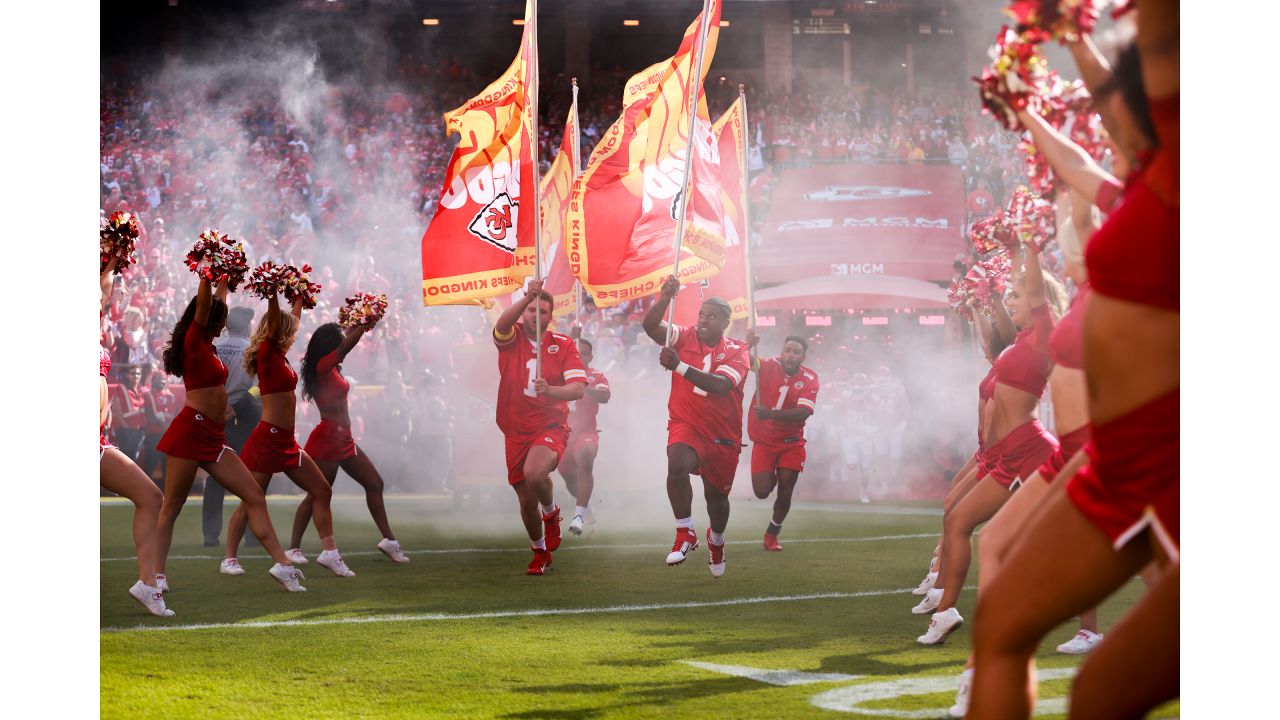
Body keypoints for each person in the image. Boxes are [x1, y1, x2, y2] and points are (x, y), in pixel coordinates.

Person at [968, 6, 1180, 714]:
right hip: (1120, 465)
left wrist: (1082, 32)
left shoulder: (1188, 175)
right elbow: (1082, 158)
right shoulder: (1143, 186)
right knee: (1003, 625)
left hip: (1180, 465)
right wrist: (1026, 107)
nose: (1107, 108)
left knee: (1104, 693)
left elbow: (1160, 39)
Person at [916, 243, 1068, 644]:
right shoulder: (1021, 340)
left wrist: (1025, 245)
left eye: (1017, 295)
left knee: (1028, 536)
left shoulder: (1043, 333)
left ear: (1038, 299)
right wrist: (985, 297)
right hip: (1008, 455)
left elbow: (1033, 289)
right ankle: (945, 610)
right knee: (958, 521)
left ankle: (952, 608)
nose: (1011, 300)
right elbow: (994, 334)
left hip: (1028, 452)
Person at [154, 275, 306, 593]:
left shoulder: (208, 345)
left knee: (253, 495)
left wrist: (223, 279)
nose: (224, 323)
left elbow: (214, 304)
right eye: (220, 318)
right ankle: (155, 576)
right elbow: (206, 304)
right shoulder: (195, 340)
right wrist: (208, 275)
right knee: (172, 507)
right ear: (208, 318)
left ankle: (282, 565)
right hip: (189, 432)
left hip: (213, 435)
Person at [223, 293, 355, 579]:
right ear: (275, 331)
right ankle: (229, 558)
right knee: (251, 502)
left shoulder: (279, 356)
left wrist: (298, 298)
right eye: (288, 330)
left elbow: (292, 321)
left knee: (321, 490)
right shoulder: (268, 353)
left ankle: (329, 553)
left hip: (285, 440)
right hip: (267, 439)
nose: (294, 333)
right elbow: (277, 320)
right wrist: (272, 293)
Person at [642, 276, 750, 578]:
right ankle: (684, 531)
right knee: (676, 464)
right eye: (701, 314)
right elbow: (650, 327)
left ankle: (716, 541)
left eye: (711, 316)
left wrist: (678, 366)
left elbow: (720, 385)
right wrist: (664, 298)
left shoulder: (737, 350)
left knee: (716, 498)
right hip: (686, 422)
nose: (703, 320)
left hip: (722, 434)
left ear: (725, 322)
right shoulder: (684, 335)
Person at [290, 318, 409, 565]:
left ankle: (389, 540)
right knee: (317, 495)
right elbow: (345, 347)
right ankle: (293, 549)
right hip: (329, 438)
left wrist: (360, 320)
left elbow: (343, 344)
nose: (342, 341)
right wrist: (364, 327)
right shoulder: (323, 366)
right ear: (330, 345)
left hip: (343, 437)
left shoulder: (329, 367)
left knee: (374, 483)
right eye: (339, 339)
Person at [490, 280, 587, 575]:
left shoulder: (564, 344)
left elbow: (578, 389)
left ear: (550, 317)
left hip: (550, 424)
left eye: (542, 311)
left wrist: (551, 391)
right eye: (531, 309)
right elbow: (502, 322)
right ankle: (539, 551)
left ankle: (552, 512)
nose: (535, 314)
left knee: (535, 473)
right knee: (524, 500)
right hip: (514, 428)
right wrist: (527, 296)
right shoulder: (512, 338)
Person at [100, 257, 171, 617]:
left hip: (97, 443)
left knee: (150, 495)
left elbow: (103, 292)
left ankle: (147, 584)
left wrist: (112, 258)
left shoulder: (97, 324)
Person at [744, 334, 819, 551]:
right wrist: (748, 344)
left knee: (786, 489)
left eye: (796, 352)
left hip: (791, 442)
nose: (791, 355)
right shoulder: (766, 364)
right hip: (765, 441)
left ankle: (772, 534)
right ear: (782, 351)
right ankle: (774, 474)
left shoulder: (810, 378)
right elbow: (741, 359)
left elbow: (804, 412)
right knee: (761, 491)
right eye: (788, 350)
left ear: (803, 357)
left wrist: (771, 414)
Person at [206, 305, 260, 547]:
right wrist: (238, 408)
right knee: (249, 477)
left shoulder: (214, 348)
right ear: (247, 326)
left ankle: (210, 534)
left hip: (216, 415)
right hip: (243, 417)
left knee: (216, 478)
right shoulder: (251, 349)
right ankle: (250, 534)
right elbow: (258, 388)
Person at [559, 333, 610, 536]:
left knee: (586, 458)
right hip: (562, 434)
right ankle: (586, 506)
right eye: (577, 353)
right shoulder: (559, 374)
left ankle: (578, 516)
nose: (580, 357)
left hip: (586, 431)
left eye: (585, 353)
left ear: (590, 356)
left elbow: (605, 396)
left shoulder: (596, 376)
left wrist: (583, 388)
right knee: (570, 479)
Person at [141, 370, 178, 488]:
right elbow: (149, 415)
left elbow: (174, 415)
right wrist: (164, 425)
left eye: (163, 380)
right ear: (153, 381)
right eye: (158, 380)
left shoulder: (170, 396)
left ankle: (166, 491)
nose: (161, 382)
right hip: (153, 435)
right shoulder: (148, 394)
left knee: (167, 465)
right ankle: (144, 489)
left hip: (167, 435)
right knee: (150, 464)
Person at [110, 364, 147, 463]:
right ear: (127, 375)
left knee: (133, 460)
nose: (136, 376)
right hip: (125, 431)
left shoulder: (141, 389)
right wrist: (125, 427)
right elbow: (116, 412)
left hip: (138, 431)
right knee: (125, 461)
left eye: (138, 373)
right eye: (133, 373)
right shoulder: (120, 388)